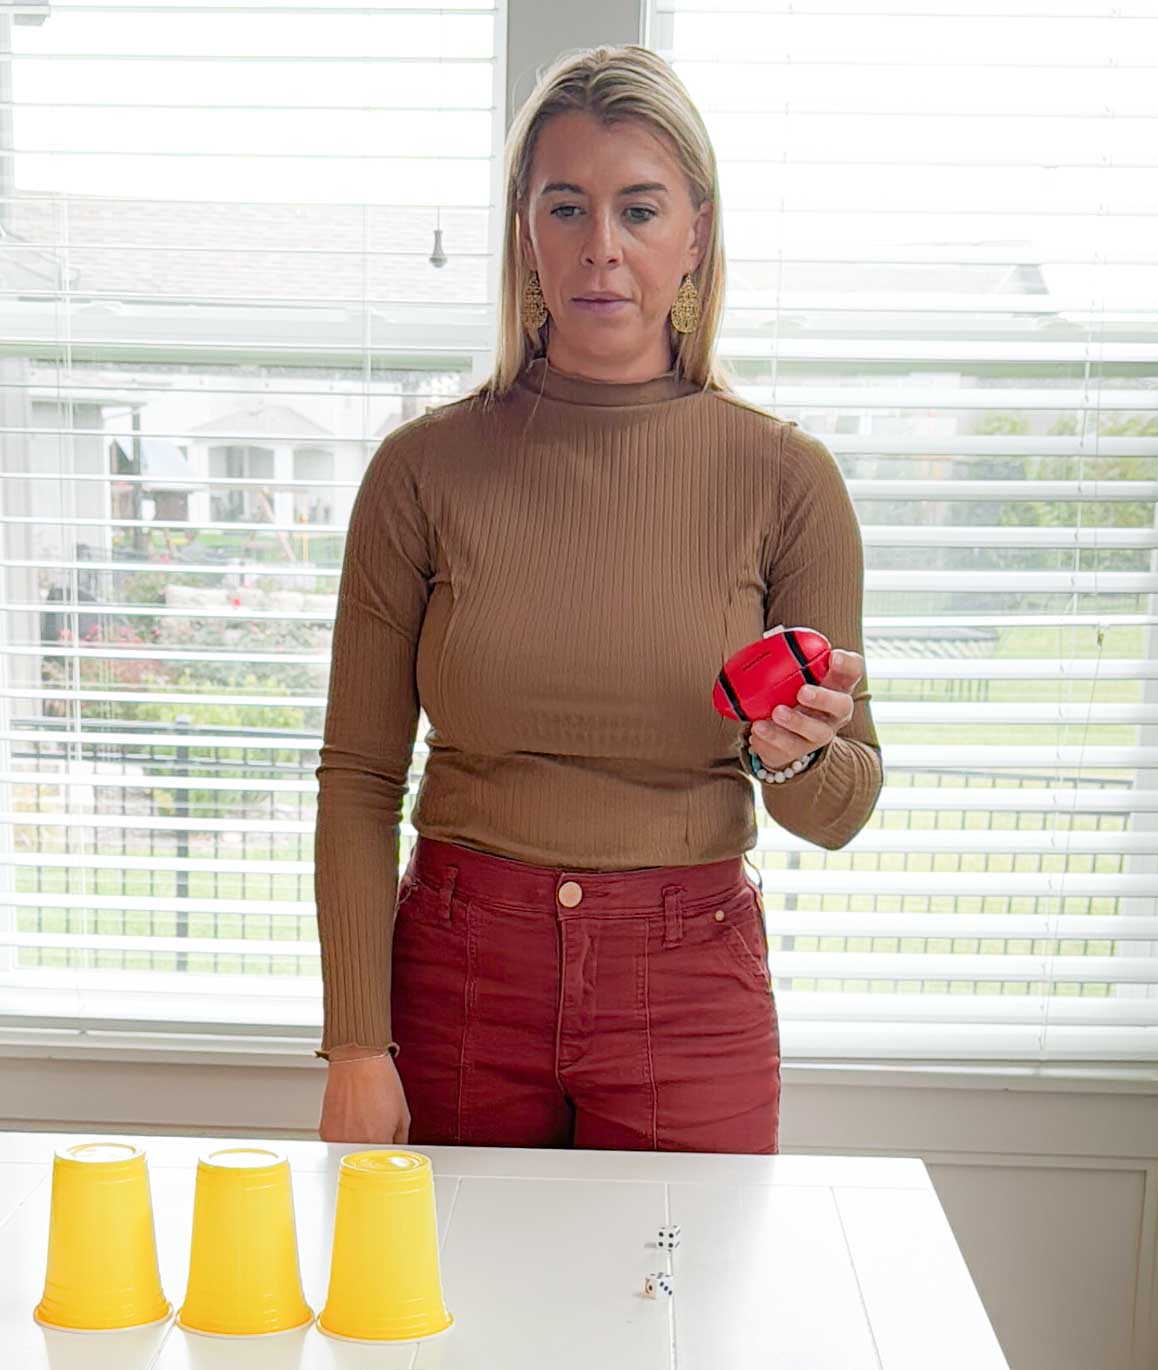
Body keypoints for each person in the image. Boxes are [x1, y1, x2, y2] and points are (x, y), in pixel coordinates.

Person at [314, 44, 883, 1154]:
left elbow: (844, 808)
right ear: (525, 230)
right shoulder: (422, 470)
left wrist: (798, 752)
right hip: (459, 980)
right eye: (565, 206)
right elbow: (360, 776)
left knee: (685, 1325)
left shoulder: (786, 478)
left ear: (697, 234)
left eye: (639, 208)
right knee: (452, 1323)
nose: (601, 248)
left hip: (689, 991)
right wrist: (353, 1045)